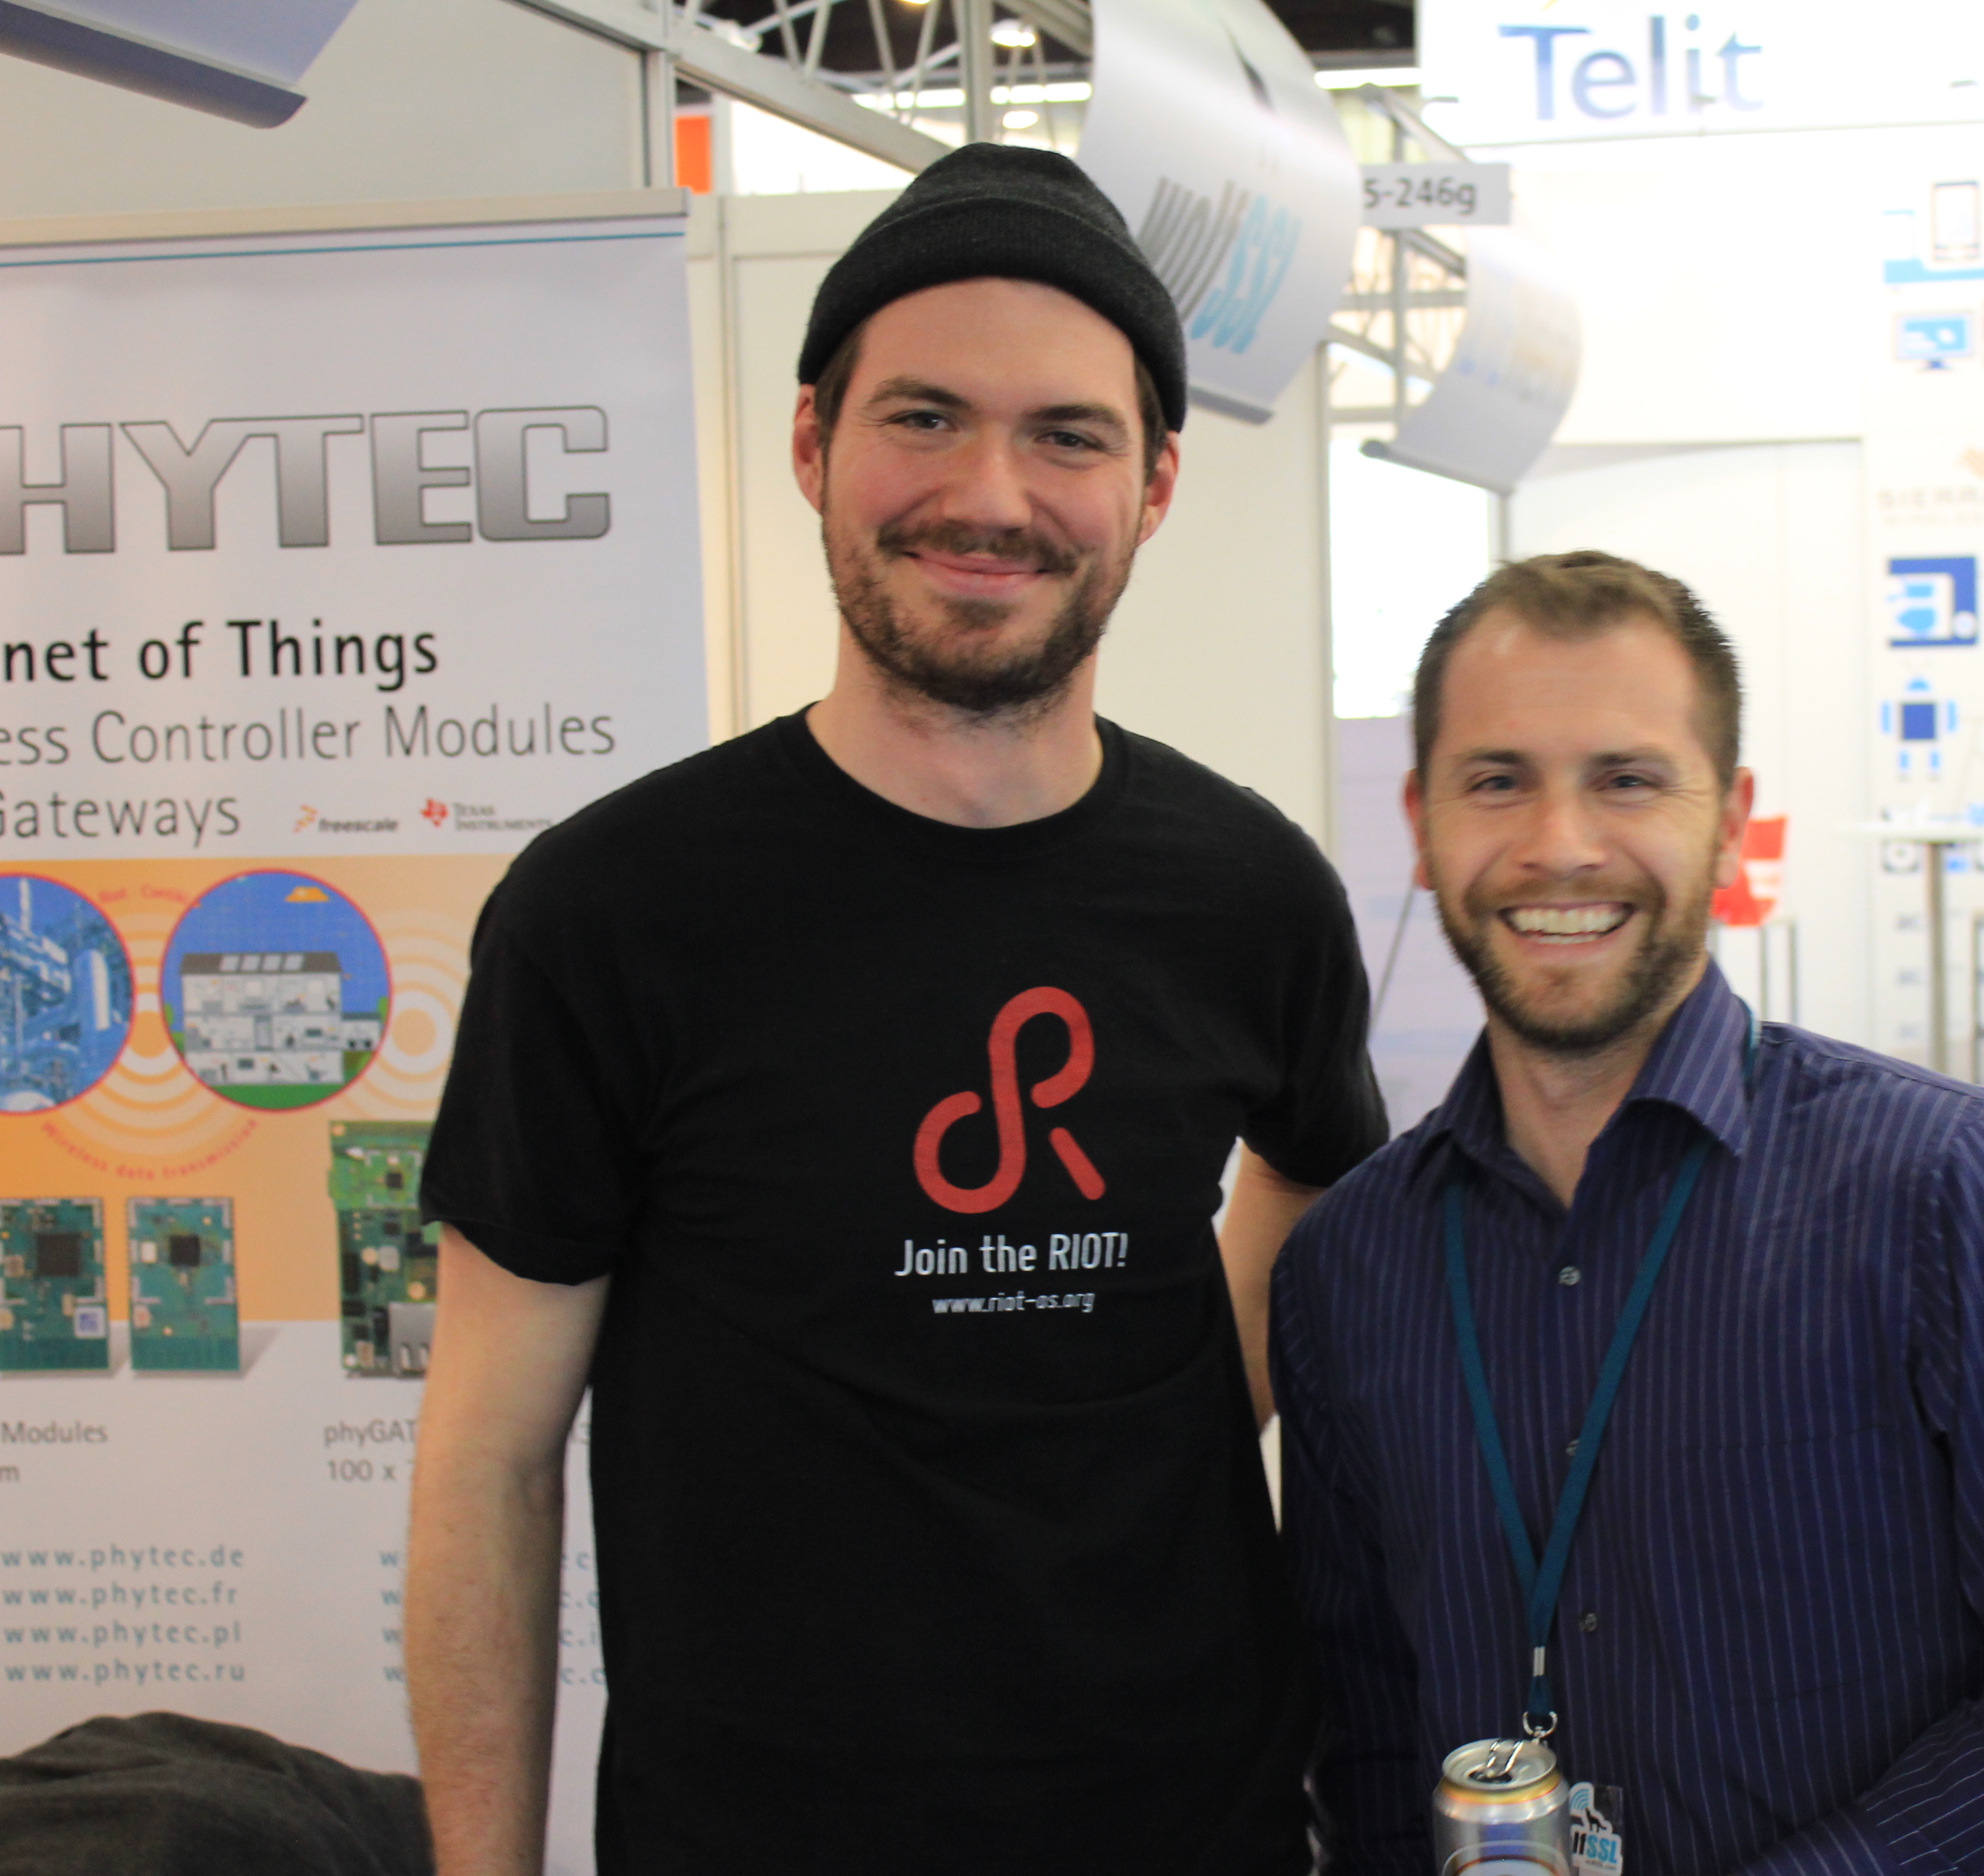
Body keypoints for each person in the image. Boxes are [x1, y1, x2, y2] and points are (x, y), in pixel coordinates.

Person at [404, 144, 1386, 1876]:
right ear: (813, 443)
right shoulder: (611, 913)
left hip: (1191, 1820)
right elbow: (491, 1458)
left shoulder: (1251, 895)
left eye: (1067, 436)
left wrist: (1168, 1408)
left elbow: (1317, 1177)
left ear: (1155, 484)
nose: (990, 495)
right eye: (924, 418)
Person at [1268, 551, 1984, 1874]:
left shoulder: (1955, 1190)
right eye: (1498, 780)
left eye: (1627, 780)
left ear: (1730, 821)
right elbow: (1371, 1733)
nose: (1560, 843)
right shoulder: (1350, 1265)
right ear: (1422, 820)